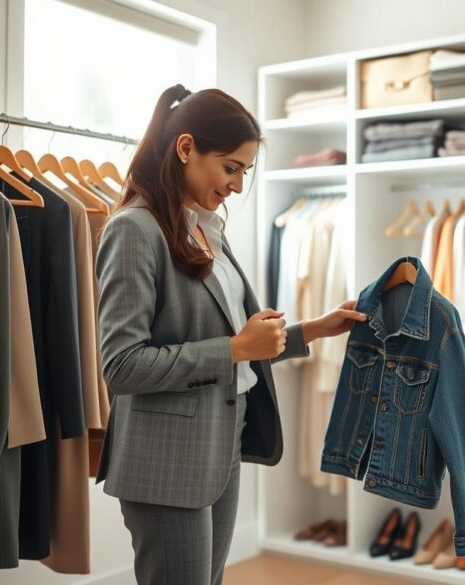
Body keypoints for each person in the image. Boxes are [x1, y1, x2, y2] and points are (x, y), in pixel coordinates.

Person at [93, 83, 365, 585]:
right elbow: (122, 365)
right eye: (231, 168)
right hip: (166, 462)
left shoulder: (205, 229)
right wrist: (236, 347)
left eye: (245, 171)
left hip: (221, 444)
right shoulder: (134, 229)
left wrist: (314, 330)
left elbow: (238, 344)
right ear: (185, 148)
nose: (238, 187)